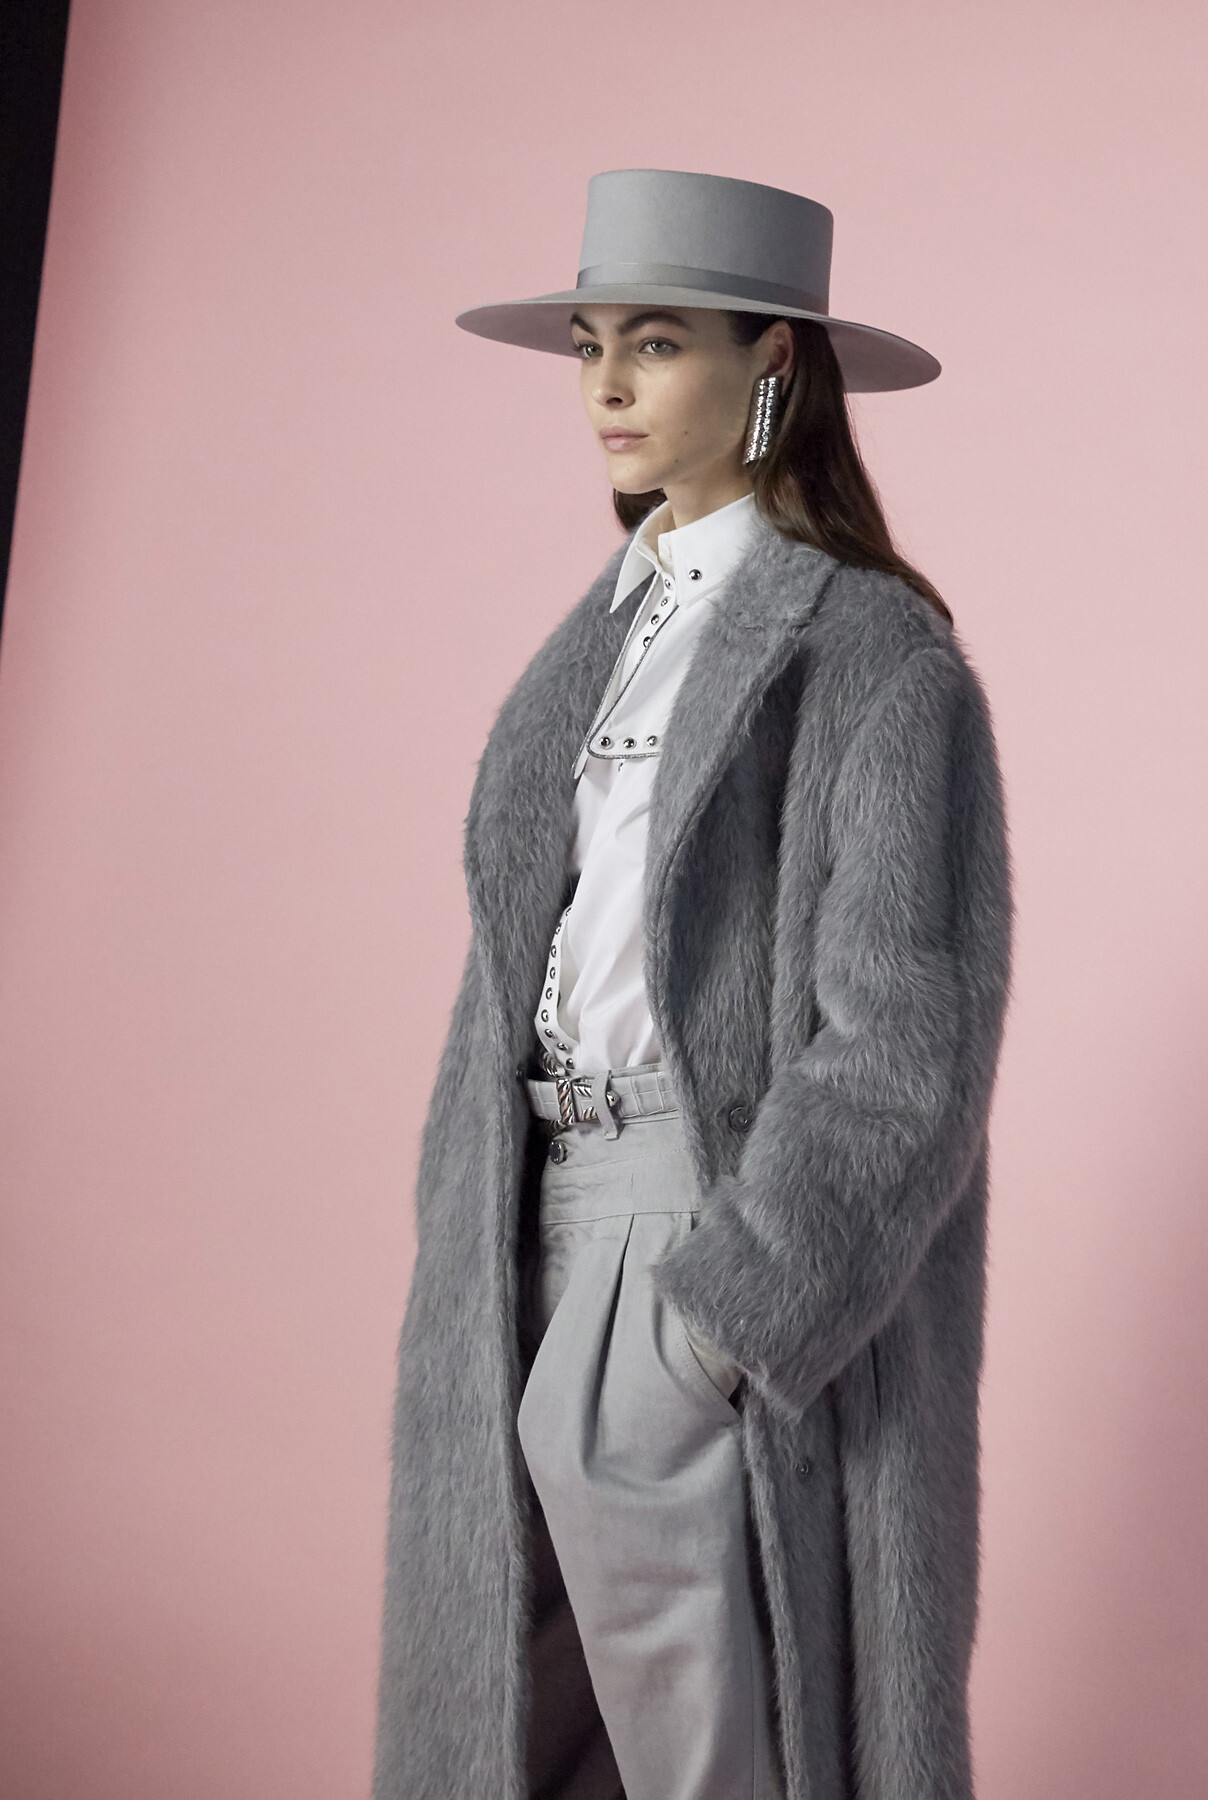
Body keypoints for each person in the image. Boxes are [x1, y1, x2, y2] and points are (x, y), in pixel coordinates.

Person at [371, 169, 1013, 1800]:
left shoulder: (872, 659)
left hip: (688, 1236)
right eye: (592, 343)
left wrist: (726, 1318)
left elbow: (906, 1043)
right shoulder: (599, 644)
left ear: (774, 363)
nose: (605, 385)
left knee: (709, 1757)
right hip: (521, 1239)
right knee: (520, 1744)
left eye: (655, 343)